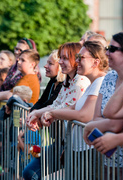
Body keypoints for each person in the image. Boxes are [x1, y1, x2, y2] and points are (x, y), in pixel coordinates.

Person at [80, 31, 123, 178]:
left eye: (112, 49)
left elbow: (116, 125)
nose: (107, 53)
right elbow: (97, 117)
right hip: (109, 156)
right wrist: (103, 124)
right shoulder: (109, 77)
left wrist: (90, 127)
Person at [23, 42, 90, 180]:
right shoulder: (69, 81)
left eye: (65, 58)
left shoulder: (80, 81)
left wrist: (44, 114)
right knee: (30, 172)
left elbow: (65, 109)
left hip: (80, 146)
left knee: (33, 173)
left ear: (76, 60)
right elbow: (56, 104)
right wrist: (36, 114)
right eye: (60, 58)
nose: (60, 62)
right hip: (68, 142)